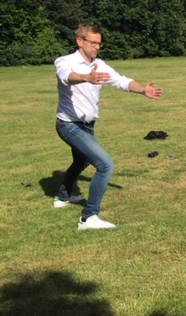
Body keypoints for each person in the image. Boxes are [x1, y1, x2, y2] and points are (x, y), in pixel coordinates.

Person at [54, 25, 163, 230]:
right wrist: (86, 77)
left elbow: (121, 81)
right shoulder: (65, 61)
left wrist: (142, 90)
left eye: (99, 43)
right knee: (105, 165)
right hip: (69, 124)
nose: (97, 47)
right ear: (80, 41)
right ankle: (88, 218)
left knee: (82, 161)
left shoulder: (100, 64)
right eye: (92, 42)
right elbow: (65, 77)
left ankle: (62, 196)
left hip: (87, 125)